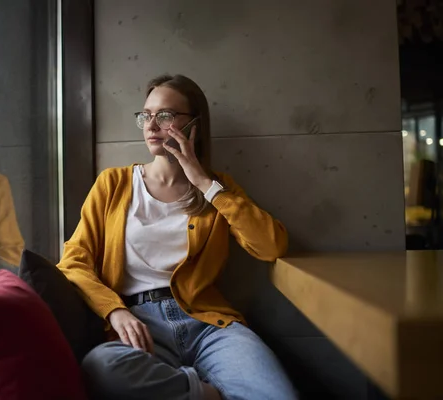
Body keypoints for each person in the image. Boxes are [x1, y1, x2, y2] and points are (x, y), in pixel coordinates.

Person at [57, 74, 297, 400]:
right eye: (146, 115)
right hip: (140, 326)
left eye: (166, 115)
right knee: (102, 367)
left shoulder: (218, 187)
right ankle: (207, 394)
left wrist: (204, 183)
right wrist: (115, 310)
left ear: (193, 125)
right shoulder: (113, 184)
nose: (152, 125)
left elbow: (271, 246)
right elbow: (73, 261)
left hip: (210, 326)